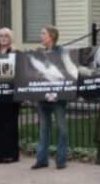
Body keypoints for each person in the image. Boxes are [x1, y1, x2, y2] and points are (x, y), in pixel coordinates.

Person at [32, 25, 68, 170]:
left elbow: (66, 70)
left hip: (58, 98)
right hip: (43, 97)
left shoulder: (62, 52)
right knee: (44, 129)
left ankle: (61, 160)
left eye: (43, 33)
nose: (41, 36)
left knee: (62, 129)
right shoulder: (39, 53)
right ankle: (42, 160)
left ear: (51, 36)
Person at [0, 28, 21, 164]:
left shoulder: (16, 53)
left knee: (11, 124)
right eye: (1, 36)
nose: (3, 38)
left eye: (6, 36)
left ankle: (12, 153)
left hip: (11, 96)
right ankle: (0, 153)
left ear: (10, 38)